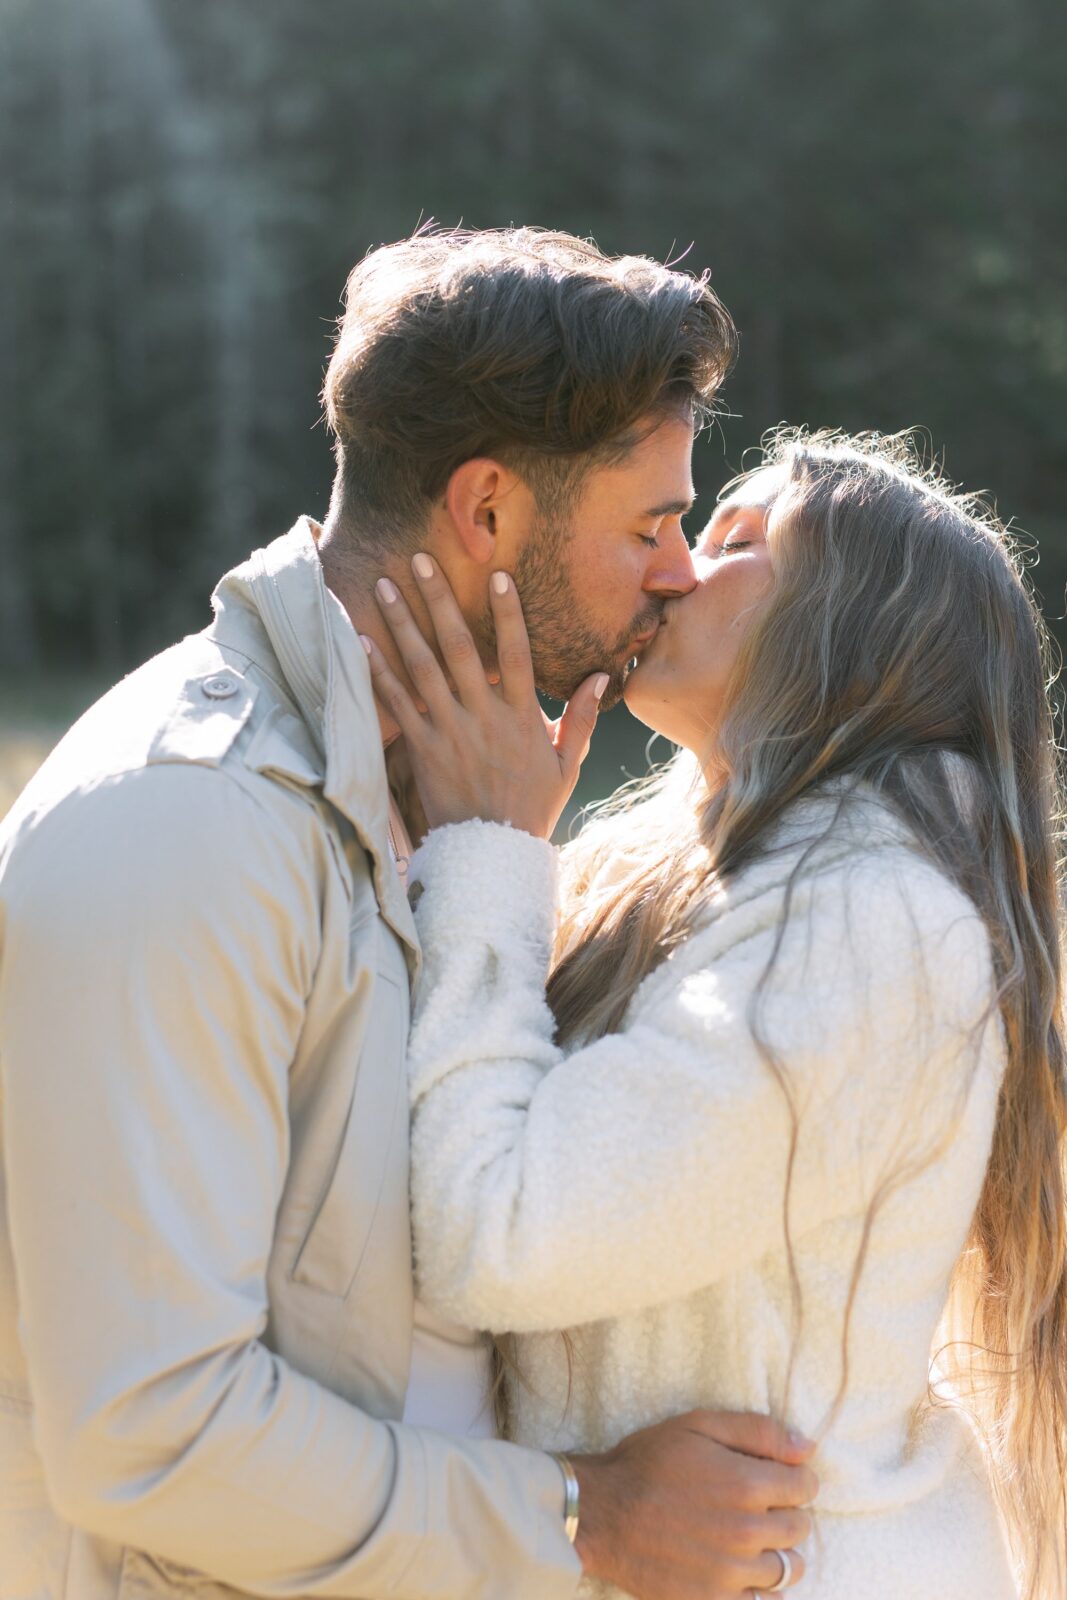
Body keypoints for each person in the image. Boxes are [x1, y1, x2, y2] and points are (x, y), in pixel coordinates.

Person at [0, 228, 818, 1600]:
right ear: (487, 512)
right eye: (647, 527)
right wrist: (580, 1521)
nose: (677, 574)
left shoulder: (430, 805)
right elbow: (148, 1432)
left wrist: (486, 861)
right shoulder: (183, 826)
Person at [364, 429, 1067, 1600]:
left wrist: (482, 848)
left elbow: (504, 1232)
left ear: (857, 632)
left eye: (739, 541)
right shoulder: (714, 877)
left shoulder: (867, 931)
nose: (675, 564)